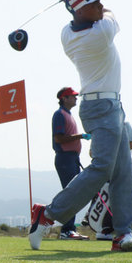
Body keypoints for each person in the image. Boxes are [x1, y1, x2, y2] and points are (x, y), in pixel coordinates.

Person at [28, 0, 132, 252]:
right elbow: (112, 14)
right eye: (95, 3)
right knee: (102, 167)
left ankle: (122, 234)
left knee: (123, 171)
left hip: (109, 105)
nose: (102, 6)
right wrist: (73, 0)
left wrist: (73, 1)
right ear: (79, 10)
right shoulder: (102, 32)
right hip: (102, 107)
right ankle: (49, 213)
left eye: (101, 2)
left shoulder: (67, 33)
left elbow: (85, 14)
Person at [52, 86, 90, 240]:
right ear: (64, 98)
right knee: (71, 193)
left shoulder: (69, 114)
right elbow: (59, 138)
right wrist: (79, 136)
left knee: (75, 192)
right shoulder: (60, 114)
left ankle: (69, 229)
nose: (75, 98)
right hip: (64, 157)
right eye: (72, 96)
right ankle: (67, 230)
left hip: (72, 158)